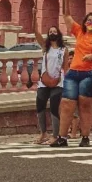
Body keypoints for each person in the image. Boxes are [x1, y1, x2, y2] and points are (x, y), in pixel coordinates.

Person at [51, 0, 92, 147]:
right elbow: (67, 15)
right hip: (73, 73)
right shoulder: (79, 32)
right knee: (66, 103)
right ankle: (62, 138)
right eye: (88, 20)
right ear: (84, 23)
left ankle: (85, 137)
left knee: (85, 104)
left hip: (91, 74)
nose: (91, 22)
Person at [32, 12, 70, 145]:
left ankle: (55, 134)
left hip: (58, 82)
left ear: (58, 34)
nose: (52, 33)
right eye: (50, 31)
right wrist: (33, 16)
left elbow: (66, 66)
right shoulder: (45, 47)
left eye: (55, 31)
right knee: (40, 106)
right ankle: (43, 133)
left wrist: (67, 81)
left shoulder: (63, 49)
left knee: (54, 107)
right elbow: (36, 32)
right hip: (44, 81)